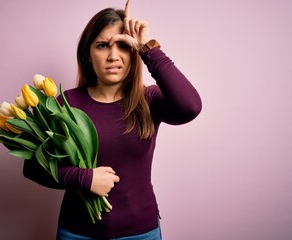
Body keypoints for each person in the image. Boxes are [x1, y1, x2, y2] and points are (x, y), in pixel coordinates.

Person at [23, 0, 202, 239]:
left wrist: (148, 49)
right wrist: (84, 178)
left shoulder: (148, 99)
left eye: (123, 46)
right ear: (88, 54)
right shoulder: (66, 104)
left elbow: (190, 107)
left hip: (141, 233)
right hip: (77, 233)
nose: (113, 56)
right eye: (102, 45)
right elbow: (33, 167)